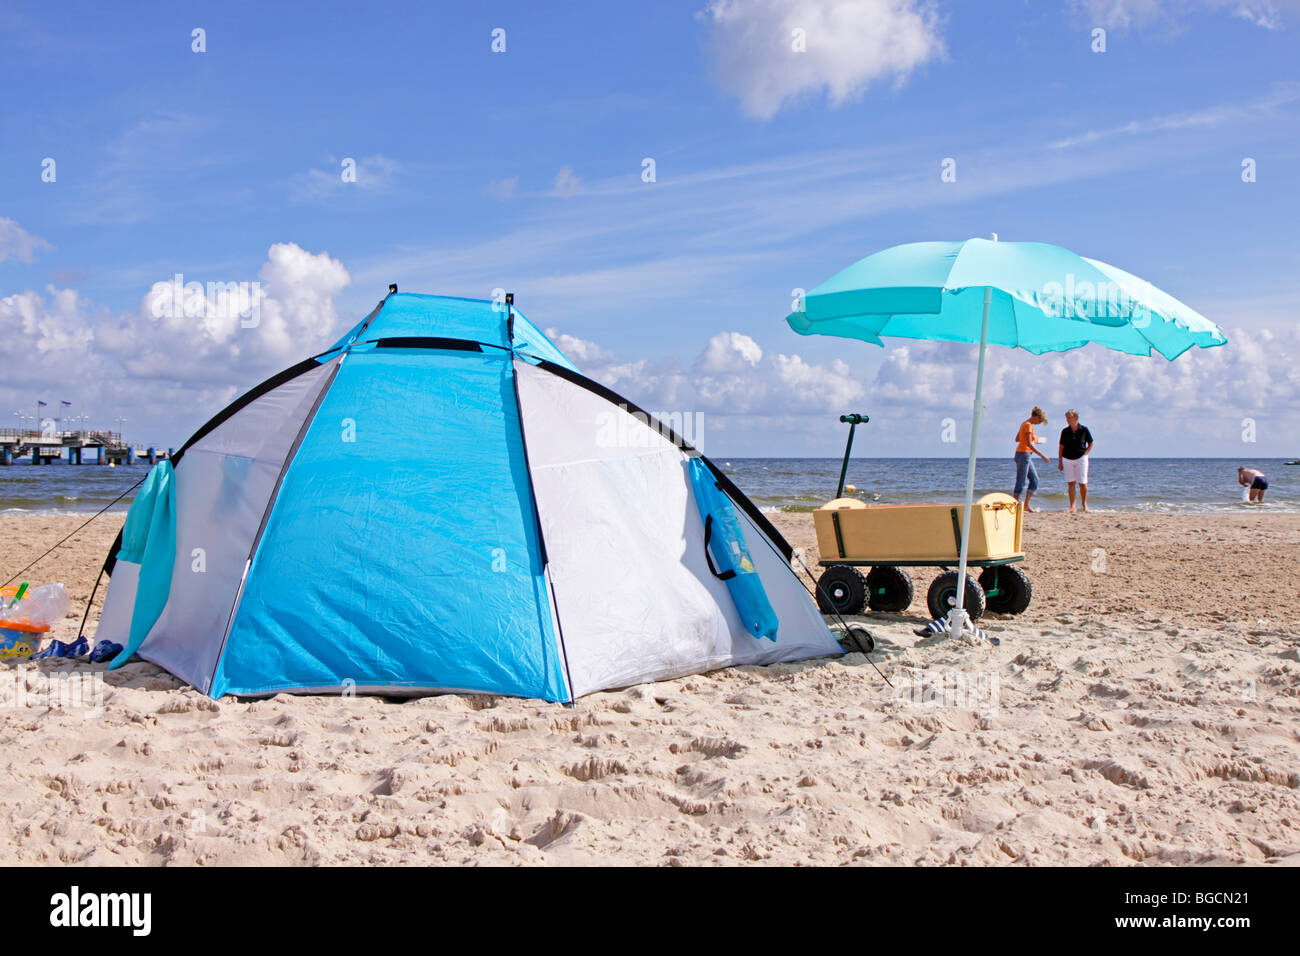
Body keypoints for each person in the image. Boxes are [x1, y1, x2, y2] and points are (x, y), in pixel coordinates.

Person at [1013, 406, 1051, 512]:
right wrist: (1042, 456)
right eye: (1040, 420)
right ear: (1035, 416)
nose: (1039, 423)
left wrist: (1035, 438)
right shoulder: (1028, 425)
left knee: (1034, 480)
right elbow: (1029, 444)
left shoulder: (1024, 424)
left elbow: (1017, 439)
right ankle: (1015, 504)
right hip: (1023, 454)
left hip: (1024, 454)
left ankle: (1026, 505)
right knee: (1021, 481)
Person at [1057, 409, 1095, 513]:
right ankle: (1072, 506)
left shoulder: (1084, 429)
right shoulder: (1065, 431)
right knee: (1071, 483)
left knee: (1082, 483)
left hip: (1081, 458)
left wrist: (1086, 452)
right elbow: (1061, 447)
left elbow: (1091, 442)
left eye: (1069, 418)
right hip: (1067, 458)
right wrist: (1060, 461)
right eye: (1067, 418)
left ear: (1076, 418)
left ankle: (1084, 504)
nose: (1067, 420)